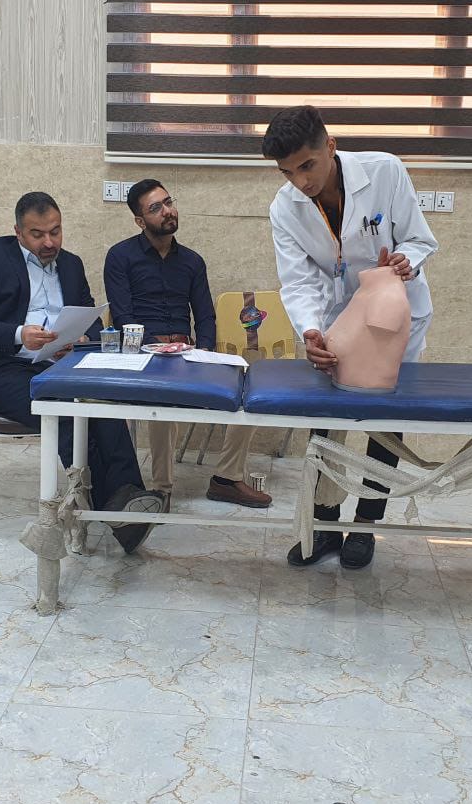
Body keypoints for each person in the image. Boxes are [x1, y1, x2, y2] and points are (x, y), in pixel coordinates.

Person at [263, 105, 438, 569]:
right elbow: (298, 282)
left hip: (392, 317)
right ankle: (324, 524)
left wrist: (405, 258)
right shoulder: (284, 208)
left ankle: (364, 525)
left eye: (307, 166)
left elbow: (420, 239)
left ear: (330, 146)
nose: (300, 181)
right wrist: (310, 329)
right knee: (326, 420)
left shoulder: (385, 171)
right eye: (287, 172)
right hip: (338, 318)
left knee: (384, 420)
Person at [0, 191, 163, 553]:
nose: (49, 242)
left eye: (55, 231)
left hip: (58, 364)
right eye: (38, 234)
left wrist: (79, 338)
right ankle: (118, 511)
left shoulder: (71, 264)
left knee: (102, 402)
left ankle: (127, 500)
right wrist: (20, 334)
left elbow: (91, 319)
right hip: (0, 367)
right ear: (18, 232)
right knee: (66, 409)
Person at [104, 179, 272, 510]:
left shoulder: (192, 261)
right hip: (144, 354)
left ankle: (226, 478)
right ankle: (161, 489)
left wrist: (204, 351)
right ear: (139, 221)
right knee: (163, 396)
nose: (167, 211)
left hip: (188, 352)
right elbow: (123, 317)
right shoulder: (120, 257)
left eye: (169, 202)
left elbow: (205, 316)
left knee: (251, 389)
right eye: (156, 208)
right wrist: (156, 347)